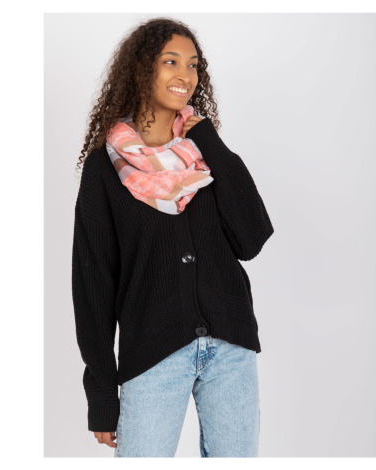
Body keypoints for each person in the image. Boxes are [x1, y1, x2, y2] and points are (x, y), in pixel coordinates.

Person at [72, 17, 275, 458]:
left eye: (193, 64)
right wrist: (101, 392)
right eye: (171, 61)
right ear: (141, 68)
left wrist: (208, 139)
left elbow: (252, 238)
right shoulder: (104, 168)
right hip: (153, 350)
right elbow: (93, 286)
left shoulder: (206, 154)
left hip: (231, 349)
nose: (186, 74)